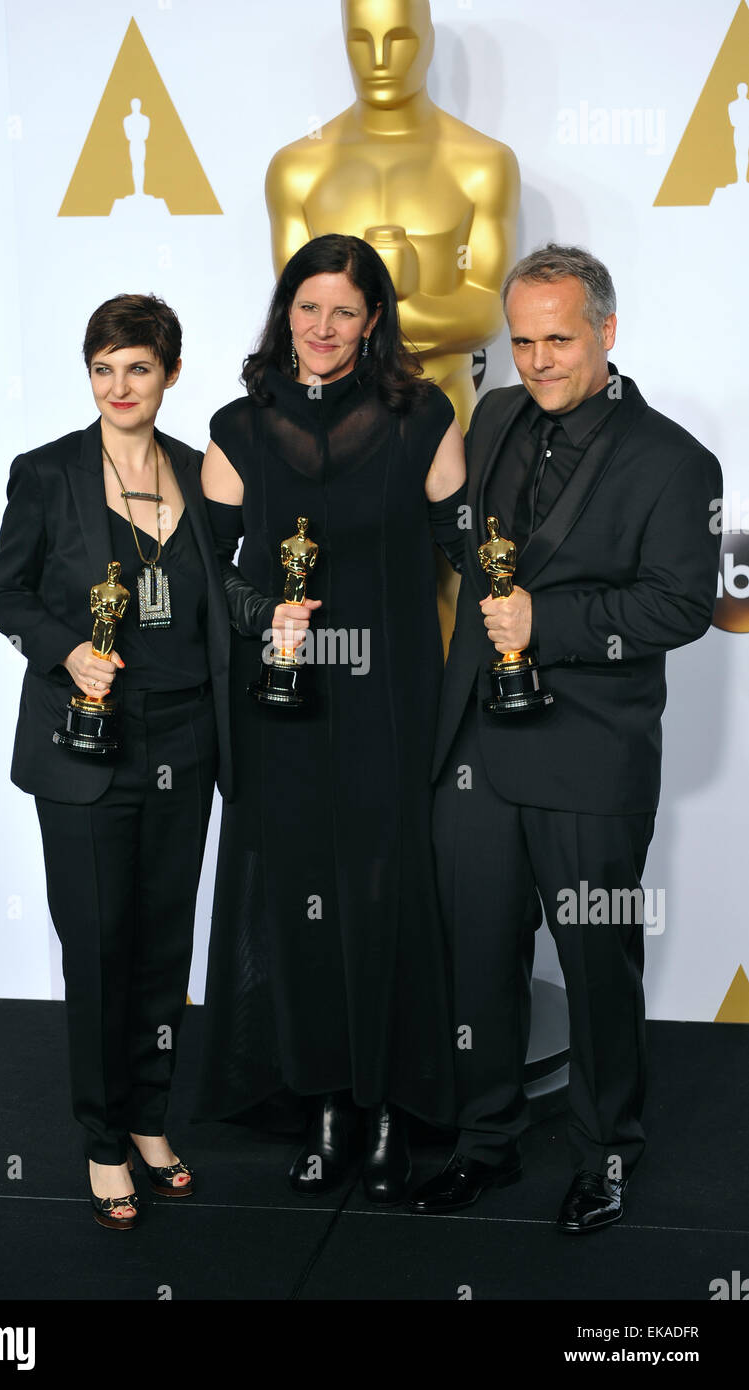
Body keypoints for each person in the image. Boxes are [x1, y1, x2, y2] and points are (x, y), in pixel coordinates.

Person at [407, 244, 722, 1232]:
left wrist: (549, 622)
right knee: (477, 961)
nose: (539, 359)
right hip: (475, 755)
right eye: (523, 339)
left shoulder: (675, 460)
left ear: (606, 332)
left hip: (589, 760)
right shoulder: (493, 414)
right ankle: (486, 1140)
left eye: (559, 338)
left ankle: (605, 1155)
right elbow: (462, 538)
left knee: (595, 967)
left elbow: (677, 606)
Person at [192, 233, 466, 1205]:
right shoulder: (238, 425)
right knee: (298, 901)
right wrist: (262, 612)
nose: (322, 327)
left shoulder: (420, 416)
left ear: (375, 320)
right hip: (286, 706)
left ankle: (390, 1113)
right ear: (284, 313)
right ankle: (320, 1105)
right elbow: (204, 573)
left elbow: (470, 556)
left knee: (385, 902)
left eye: (344, 310)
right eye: (307, 307)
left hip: (389, 700)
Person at [0, 293, 232, 1229]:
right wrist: (66, 651)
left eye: (137, 367)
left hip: (185, 738)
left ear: (169, 373)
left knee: (165, 945)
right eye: (103, 368)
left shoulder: (204, 475)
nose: (119, 387)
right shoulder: (45, 473)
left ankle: (151, 1118)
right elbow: (6, 590)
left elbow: (223, 601)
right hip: (85, 745)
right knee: (97, 947)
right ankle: (101, 1138)